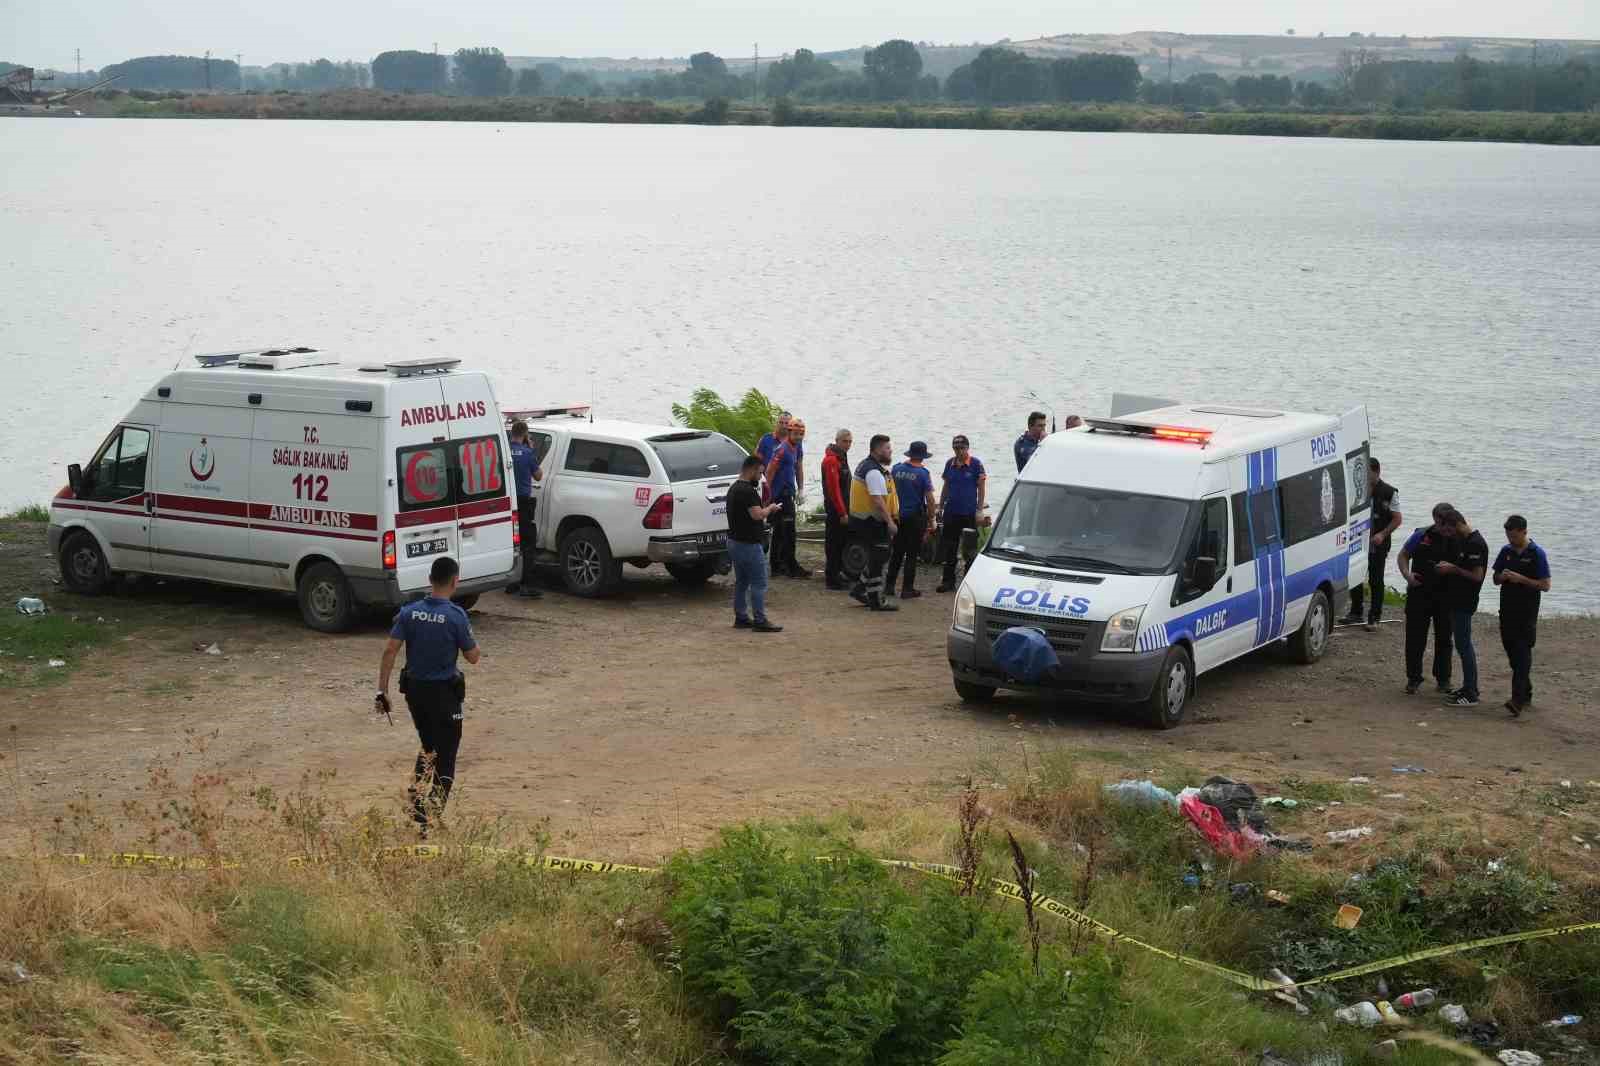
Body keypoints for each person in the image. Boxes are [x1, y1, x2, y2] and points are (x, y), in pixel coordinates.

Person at [377, 556, 481, 833]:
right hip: (444, 695)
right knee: (446, 756)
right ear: (455, 581)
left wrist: (382, 691)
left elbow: (390, 650)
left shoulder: (410, 612)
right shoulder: (456, 616)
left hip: (415, 694)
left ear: (430, 579)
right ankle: (426, 818)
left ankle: (417, 805)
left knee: (428, 747)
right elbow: (473, 657)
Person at [1396, 502, 1459, 696]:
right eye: (1438, 521)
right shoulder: (1421, 534)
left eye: (1444, 522)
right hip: (1419, 592)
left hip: (1446, 595)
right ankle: (1413, 678)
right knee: (1415, 637)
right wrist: (1407, 575)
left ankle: (1443, 679)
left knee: (1444, 638)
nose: (1441, 526)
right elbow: (1403, 555)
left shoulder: (1460, 539)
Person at [1492, 515, 1551, 717]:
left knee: (1522, 651)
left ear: (1524, 532)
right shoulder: (1506, 551)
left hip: (1526, 612)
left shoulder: (1537, 553)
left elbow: (1545, 585)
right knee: (1512, 652)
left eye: (1515, 536)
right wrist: (1503, 576)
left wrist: (1521, 579)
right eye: (1508, 536)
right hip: (1506, 610)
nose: (1511, 540)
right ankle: (1526, 691)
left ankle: (1516, 700)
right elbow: (1495, 578)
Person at [1434, 509, 1488, 707]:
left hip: (1465, 601)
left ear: (1456, 524)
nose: (1448, 535)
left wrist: (1453, 568)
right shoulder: (1465, 541)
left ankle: (1471, 692)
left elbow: (1477, 576)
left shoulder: (1475, 544)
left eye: (1449, 531)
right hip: (1456, 599)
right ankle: (1467, 686)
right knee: (1461, 644)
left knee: (1464, 645)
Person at [727, 455, 785, 632]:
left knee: (742, 581)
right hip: (749, 544)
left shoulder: (733, 489)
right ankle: (760, 620)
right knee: (759, 583)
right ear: (751, 470)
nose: (760, 477)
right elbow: (757, 515)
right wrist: (771, 508)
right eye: (759, 473)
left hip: (734, 542)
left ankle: (741, 617)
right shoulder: (747, 492)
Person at [1344, 457, 1401, 629]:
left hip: (1378, 542)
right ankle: (1355, 612)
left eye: (1367, 473)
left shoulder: (1390, 492)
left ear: (1376, 472)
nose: (1364, 476)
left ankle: (1375, 617)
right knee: (1355, 575)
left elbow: (1397, 519)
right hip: (1358, 540)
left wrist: (1383, 534)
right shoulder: (1356, 490)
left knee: (1376, 579)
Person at [849, 434, 900, 612]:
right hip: (870, 522)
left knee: (877, 556)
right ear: (877, 450)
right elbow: (878, 501)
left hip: (861, 520)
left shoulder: (866, 465)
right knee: (880, 557)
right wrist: (890, 523)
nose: (890, 451)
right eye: (887, 448)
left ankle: (860, 589)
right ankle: (876, 599)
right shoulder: (873, 471)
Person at [936, 435, 987, 593]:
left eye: (961, 448)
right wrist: (940, 506)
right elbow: (946, 486)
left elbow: (981, 488)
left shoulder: (976, 464)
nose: (958, 451)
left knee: (969, 550)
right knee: (949, 548)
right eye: (956, 448)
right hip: (951, 513)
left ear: (967, 448)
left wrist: (979, 511)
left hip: (968, 514)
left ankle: (968, 584)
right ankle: (948, 582)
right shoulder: (949, 464)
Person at [887, 441, 937, 599]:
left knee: (897, 553)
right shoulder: (923, 473)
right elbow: (929, 499)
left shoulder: (896, 469)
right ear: (922, 457)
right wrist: (932, 519)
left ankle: (889, 586)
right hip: (915, 518)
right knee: (912, 554)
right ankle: (907, 589)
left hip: (897, 516)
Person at [764, 418, 809, 578]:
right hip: (779, 495)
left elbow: (798, 468)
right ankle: (790, 566)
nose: (798, 437)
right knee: (788, 532)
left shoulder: (796, 447)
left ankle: (778, 566)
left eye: (801, 435)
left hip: (788, 493)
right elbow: (769, 471)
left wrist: (801, 489)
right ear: (789, 432)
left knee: (780, 532)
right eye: (796, 434)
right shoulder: (782, 449)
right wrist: (767, 496)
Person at [504, 420, 543, 598]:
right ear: (525, 434)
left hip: (506, 503)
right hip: (523, 503)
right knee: (528, 544)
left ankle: (510, 582)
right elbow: (539, 476)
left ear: (512, 433)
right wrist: (532, 450)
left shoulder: (504, 450)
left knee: (512, 543)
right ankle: (527, 584)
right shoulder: (528, 453)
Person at [821, 429, 853, 590]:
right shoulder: (831, 461)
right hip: (836, 510)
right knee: (834, 543)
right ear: (837, 441)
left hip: (844, 507)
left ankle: (838, 573)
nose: (848, 445)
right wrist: (842, 512)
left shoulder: (842, 458)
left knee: (841, 542)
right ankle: (832, 577)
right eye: (845, 441)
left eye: (850, 442)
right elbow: (833, 490)